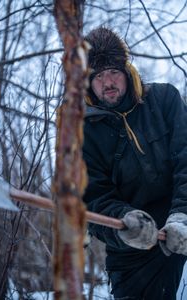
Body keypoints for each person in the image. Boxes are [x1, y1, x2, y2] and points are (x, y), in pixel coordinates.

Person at [82, 26, 187, 300]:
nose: (108, 82)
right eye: (99, 76)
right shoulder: (84, 134)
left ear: (127, 72)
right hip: (130, 249)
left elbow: (185, 161)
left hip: (181, 231)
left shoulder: (164, 100)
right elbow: (94, 199)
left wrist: (182, 215)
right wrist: (125, 224)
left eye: (114, 72)